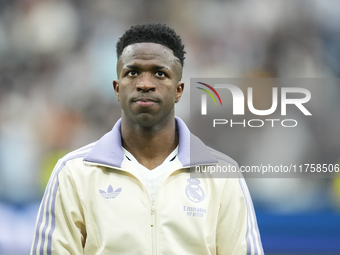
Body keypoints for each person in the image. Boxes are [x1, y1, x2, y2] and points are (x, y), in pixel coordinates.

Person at [31, 23, 264, 255]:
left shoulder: (222, 175)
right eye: (132, 73)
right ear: (116, 88)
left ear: (178, 90)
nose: (144, 84)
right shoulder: (73, 173)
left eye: (160, 74)